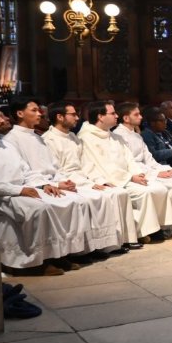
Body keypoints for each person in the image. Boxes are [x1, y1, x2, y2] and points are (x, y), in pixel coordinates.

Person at [4, 98, 125, 255]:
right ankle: (67, 252)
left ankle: (96, 246)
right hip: (36, 185)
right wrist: (49, 184)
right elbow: (24, 171)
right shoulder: (12, 140)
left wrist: (62, 181)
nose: (40, 113)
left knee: (99, 196)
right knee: (78, 200)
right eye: (34, 110)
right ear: (20, 113)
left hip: (57, 181)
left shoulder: (38, 137)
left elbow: (53, 167)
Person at [0, 107, 95, 276]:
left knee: (63, 199)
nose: (3, 120)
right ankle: (32, 262)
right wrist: (20, 189)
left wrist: (42, 185)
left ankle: (57, 254)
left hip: (21, 190)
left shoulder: (5, 144)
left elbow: (26, 170)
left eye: (2, 116)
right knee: (40, 208)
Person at [44, 102, 144, 248]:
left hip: (83, 178)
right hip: (68, 181)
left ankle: (121, 240)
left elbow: (87, 164)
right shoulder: (48, 139)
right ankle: (95, 247)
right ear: (59, 117)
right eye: (73, 114)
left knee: (115, 192)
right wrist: (85, 183)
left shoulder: (72, 137)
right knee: (107, 195)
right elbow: (55, 170)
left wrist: (99, 180)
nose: (77, 118)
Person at [78, 101, 172, 242]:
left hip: (127, 177)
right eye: (112, 113)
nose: (117, 116)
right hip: (112, 179)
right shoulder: (87, 137)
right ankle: (149, 232)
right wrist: (130, 177)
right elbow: (102, 165)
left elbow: (129, 158)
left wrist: (136, 173)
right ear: (100, 117)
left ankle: (153, 228)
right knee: (145, 192)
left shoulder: (114, 136)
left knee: (159, 188)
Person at [115, 102, 172, 236]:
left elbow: (149, 158)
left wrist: (166, 170)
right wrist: (155, 173)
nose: (141, 117)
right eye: (137, 114)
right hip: (138, 172)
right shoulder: (118, 136)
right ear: (126, 118)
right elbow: (129, 163)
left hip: (149, 168)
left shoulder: (136, 135)